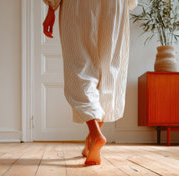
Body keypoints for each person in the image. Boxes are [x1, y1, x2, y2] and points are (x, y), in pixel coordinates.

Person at [43, 0, 137, 166]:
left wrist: (51, 7)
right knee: (109, 70)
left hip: (79, 5)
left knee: (79, 69)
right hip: (115, 5)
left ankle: (94, 133)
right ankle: (91, 141)